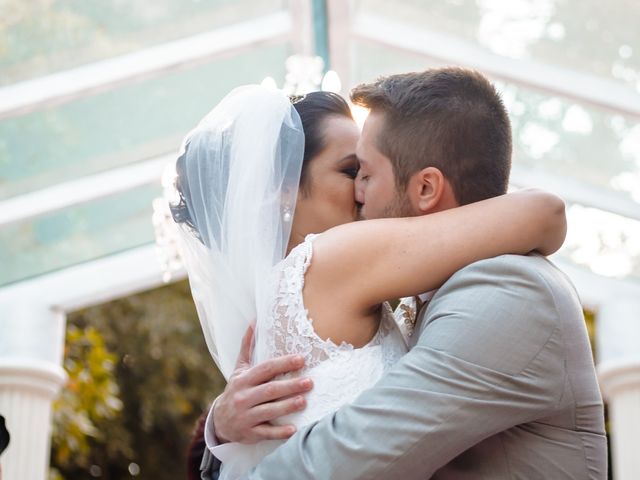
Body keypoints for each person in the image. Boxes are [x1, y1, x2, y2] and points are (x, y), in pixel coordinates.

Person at [203, 69, 607, 479]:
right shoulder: (391, 287)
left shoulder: (512, 291)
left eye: (365, 172)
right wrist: (218, 425)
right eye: (350, 171)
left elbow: (353, 451)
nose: (359, 190)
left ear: (426, 188)